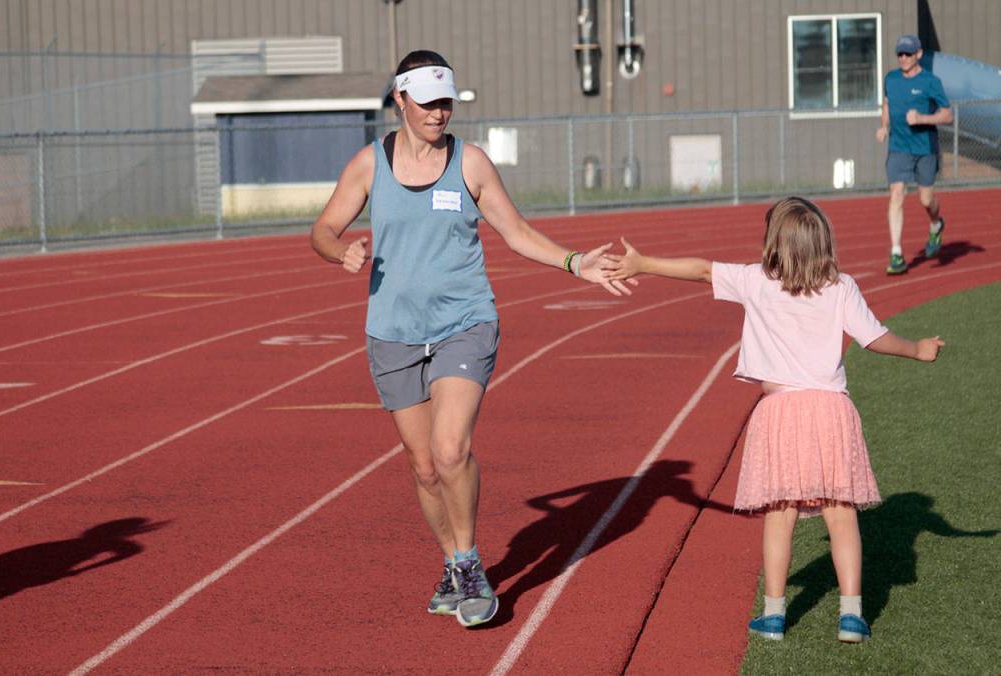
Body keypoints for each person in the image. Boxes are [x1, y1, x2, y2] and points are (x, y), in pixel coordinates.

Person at [309, 50, 631, 628]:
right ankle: (453, 565)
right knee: (423, 466)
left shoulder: (471, 163)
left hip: (464, 323)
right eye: (428, 103)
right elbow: (323, 229)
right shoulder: (369, 164)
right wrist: (340, 251)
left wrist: (575, 262)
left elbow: (516, 231)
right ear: (400, 100)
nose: (439, 113)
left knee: (449, 449)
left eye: (446, 102)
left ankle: (468, 563)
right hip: (393, 333)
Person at [601, 196, 944, 643]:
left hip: (780, 412)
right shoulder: (841, 286)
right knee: (841, 513)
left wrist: (642, 263)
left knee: (780, 515)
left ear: (775, 243)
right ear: (823, 242)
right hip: (831, 410)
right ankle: (851, 616)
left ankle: (774, 615)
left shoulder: (756, 281)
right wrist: (918, 349)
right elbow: (873, 337)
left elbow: (701, 270)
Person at [876, 34, 953, 275]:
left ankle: (936, 224)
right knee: (896, 194)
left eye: (908, 53)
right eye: (900, 53)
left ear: (918, 54)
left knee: (926, 200)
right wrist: (884, 126)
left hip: (924, 148)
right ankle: (896, 253)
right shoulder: (891, 79)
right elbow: (887, 104)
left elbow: (948, 115)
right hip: (899, 147)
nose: (903, 58)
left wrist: (922, 118)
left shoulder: (931, 82)